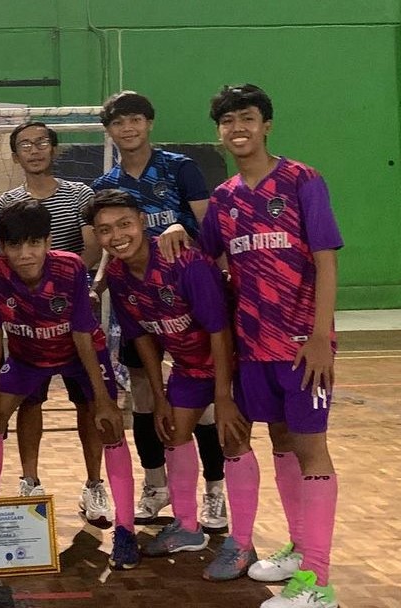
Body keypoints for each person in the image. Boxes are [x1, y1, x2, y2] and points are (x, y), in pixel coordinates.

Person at [200, 84, 343, 608]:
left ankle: (318, 582)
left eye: (247, 118)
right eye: (228, 121)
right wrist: (171, 230)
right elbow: (206, 258)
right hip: (253, 347)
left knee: (311, 450)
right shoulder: (223, 199)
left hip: (302, 345)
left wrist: (321, 337)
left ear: (266, 125)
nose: (237, 128)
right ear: (219, 132)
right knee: (280, 440)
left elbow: (326, 260)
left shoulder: (303, 180)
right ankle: (300, 549)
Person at [93, 189, 254, 581]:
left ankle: (242, 543)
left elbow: (219, 331)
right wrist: (160, 396)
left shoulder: (184, 262)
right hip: (187, 367)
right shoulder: (118, 275)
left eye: (124, 224)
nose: (117, 236)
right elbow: (142, 338)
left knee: (233, 439)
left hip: (233, 364)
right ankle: (187, 527)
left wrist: (223, 397)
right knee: (173, 433)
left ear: (142, 222)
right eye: (105, 230)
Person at [0, 199, 137, 570]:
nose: (25, 254)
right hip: (27, 355)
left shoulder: (69, 267)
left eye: (34, 243)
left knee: (106, 421)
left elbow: (82, 333)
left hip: (79, 352)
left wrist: (104, 399)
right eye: (15, 245)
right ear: (2, 245)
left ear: (48, 242)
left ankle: (114, 515)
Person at [91, 90, 228, 531]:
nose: (127, 128)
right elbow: (108, 246)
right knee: (146, 398)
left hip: (186, 296)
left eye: (135, 119)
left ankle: (215, 490)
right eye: (118, 122)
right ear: (109, 131)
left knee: (204, 403)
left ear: (149, 123)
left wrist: (178, 228)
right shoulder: (106, 185)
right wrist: (97, 282)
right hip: (138, 299)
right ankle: (155, 485)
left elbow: (208, 230)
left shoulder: (179, 168)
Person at [0, 122, 110, 530]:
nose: (34, 150)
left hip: (73, 309)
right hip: (29, 323)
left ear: (54, 149)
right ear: (15, 156)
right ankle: (29, 481)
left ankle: (94, 485)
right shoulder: (8, 201)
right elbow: (6, 255)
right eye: (25, 145)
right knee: (30, 402)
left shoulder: (79, 194)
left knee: (89, 404)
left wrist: (61, 279)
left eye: (42, 142)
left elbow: (92, 247)